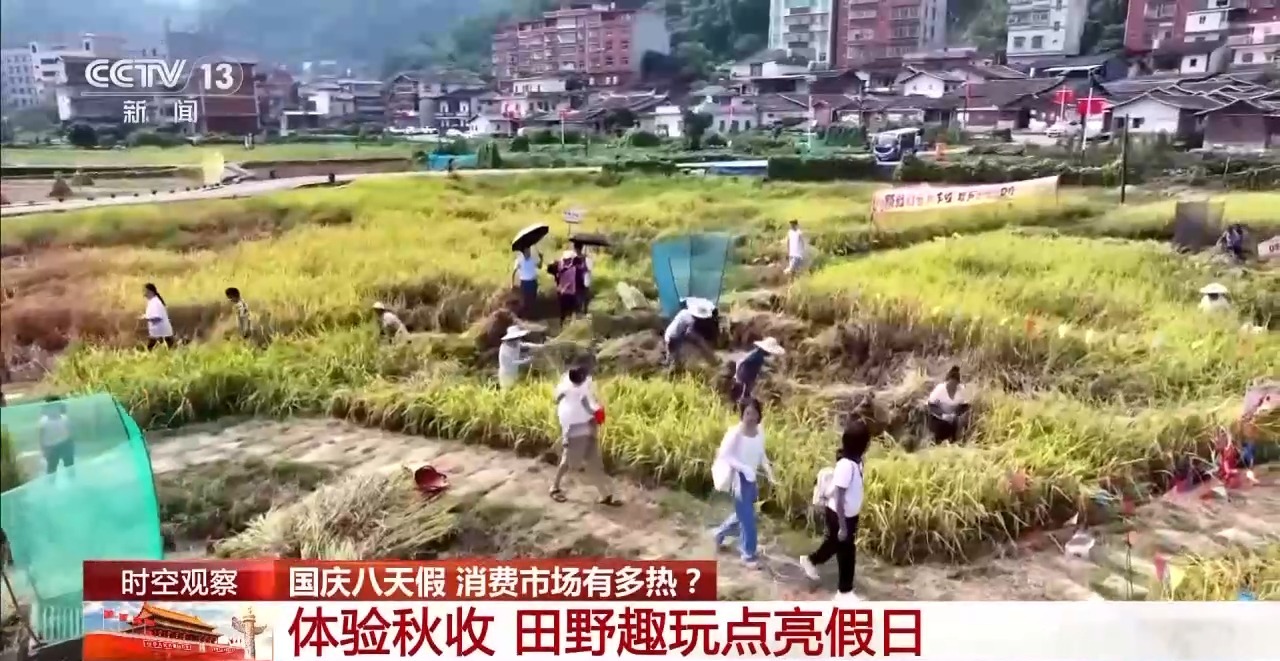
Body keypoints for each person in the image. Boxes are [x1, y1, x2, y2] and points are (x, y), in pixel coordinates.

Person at [799, 418, 869, 601]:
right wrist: (843, 526)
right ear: (861, 444)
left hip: (848, 515)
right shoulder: (846, 466)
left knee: (836, 546)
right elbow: (839, 497)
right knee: (845, 551)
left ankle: (811, 561)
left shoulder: (857, 462)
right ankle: (844, 592)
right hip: (839, 515)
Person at [711, 397, 775, 568]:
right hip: (738, 480)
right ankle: (748, 555)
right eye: (748, 413)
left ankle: (718, 534)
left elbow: (761, 453)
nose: (751, 417)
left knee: (745, 515)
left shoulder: (759, 430)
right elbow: (725, 455)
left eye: (754, 413)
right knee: (748, 521)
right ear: (742, 414)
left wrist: (769, 471)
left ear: (759, 414)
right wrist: (744, 468)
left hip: (751, 480)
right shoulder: (735, 433)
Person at [549, 364, 619, 507]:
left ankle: (604, 495)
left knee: (592, 460)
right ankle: (554, 487)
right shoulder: (580, 392)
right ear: (581, 378)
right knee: (568, 461)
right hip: (578, 429)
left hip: (579, 427)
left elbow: (557, 399)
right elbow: (589, 409)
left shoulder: (567, 386)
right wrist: (599, 412)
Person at [664, 298, 714, 369]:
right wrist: (698, 339)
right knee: (674, 356)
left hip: (669, 332)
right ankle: (671, 368)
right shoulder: (691, 320)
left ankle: (668, 362)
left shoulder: (684, 312)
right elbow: (688, 334)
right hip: (674, 337)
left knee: (670, 352)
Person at [926, 366, 970, 444]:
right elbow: (931, 405)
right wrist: (942, 415)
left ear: (957, 384)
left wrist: (954, 414)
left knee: (960, 422)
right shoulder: (940, 389)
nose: (952, 387)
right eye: (950, 384)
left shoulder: (961, 390)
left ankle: (957, 441)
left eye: (954, 384)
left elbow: (965, 407)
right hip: (938, 419)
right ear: (947, 382)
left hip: (954, 419)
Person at [732, 337, 785, 402]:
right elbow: (756, 367)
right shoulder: (758, 357)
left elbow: (743, 361)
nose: (770, 353)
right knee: (745, 391)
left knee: (746, 390)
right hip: (745, 374)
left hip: (744, 373)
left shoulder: (756, 353)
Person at [38, 396, 75, 477]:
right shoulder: (44, 422)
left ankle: (72, 478)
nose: (54, 410)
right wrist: (44, 450)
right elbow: (41, 437)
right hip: (51, 447)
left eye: (57, 407)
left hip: (65, 444)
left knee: (70, 466)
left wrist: (71, 444)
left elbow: (69, 432)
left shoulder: (64, 418)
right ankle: (51, 482)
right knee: (52, 468)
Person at [550, 252, 581, 324]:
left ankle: (569, 324)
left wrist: (563, 288)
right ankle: (563, 323)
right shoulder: (562, 266)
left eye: (567, 259)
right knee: (564, 310)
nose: (565, 261)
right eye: (565, 259)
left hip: (569, 292)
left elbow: (570, 281)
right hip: (564, 292)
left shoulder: (572, 268)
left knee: (570, 310)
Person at [141, 283, 174, 349]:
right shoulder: (152, 301)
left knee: (150, 349)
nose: (143, 293)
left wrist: (146, 318)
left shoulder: (155, 302)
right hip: (159, 332)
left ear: (150, 292)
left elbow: (157, 318)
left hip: (161, 332)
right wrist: (144, 316)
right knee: (152, 349)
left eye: (144, 291)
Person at [511, 247, 542, 316]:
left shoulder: (532, 260)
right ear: (523, 252)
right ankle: (523, 315)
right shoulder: (519, 260)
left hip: (533, 282)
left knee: (532, 298)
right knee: (524, 300)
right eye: (527, 251)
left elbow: (539, 266)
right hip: (524, 282)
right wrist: (512, 283)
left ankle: (531, 314)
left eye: (529, 251)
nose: (529, 253)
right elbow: (514, 271)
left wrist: (541, 258)